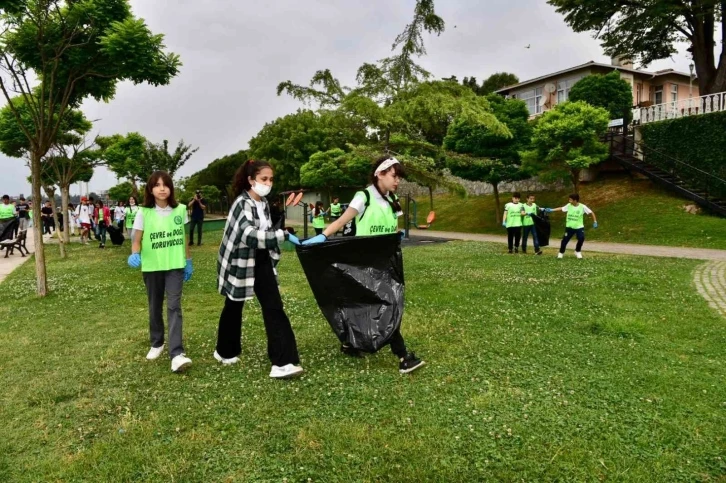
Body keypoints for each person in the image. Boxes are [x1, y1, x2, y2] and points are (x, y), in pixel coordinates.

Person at [302, 156, 425, 374]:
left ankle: (349, 343)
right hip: (364, 262)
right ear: (380, 174)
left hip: (385, 260)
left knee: (374, 302)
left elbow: (392, 226)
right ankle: (403, 355)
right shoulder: (364, 196)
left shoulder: (392, 199)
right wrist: (322, 237)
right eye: (394, 176)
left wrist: (397, 236)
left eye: (399, 178)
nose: (397, 181)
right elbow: (342, 221)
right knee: (385, 303)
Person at [215, 159, 304, 379]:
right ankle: (225, 350)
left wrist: (280, 229)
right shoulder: (241, 204)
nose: (268, 183)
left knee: (274, 306)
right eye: (264, 179)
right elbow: (249, 235)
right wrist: (281, 236)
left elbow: (265, 230)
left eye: (271, 179)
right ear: (250, 180)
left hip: (261, 259)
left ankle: (283, 361)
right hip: (241, 260)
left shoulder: (263, 203)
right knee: (233, 305)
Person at [127, 171, 193, 373]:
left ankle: (177, 354)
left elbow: (184, 238)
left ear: (171, 188)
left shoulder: (181, 210)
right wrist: (134, 253)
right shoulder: (143, 212)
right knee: (155, 305)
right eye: (157, 185)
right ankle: (157, 343)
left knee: (174, 306)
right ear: (151, 189)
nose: (162, 188)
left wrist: (188, 260)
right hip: (152, 266)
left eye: (166, 185)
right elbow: (136, 240)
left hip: (175, 266)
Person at [545, 193, 598, 259]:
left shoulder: (582, 207)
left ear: (575, 200)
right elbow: (561, 208)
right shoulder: (569, 205)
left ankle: (577, 251)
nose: (569, 201)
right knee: (565, 240)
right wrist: (551, 210)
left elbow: (591, 212)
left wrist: (595, 221)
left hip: (579, 227)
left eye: (570, 200)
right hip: (569, 227)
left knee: (581, 238)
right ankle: (561, 253)